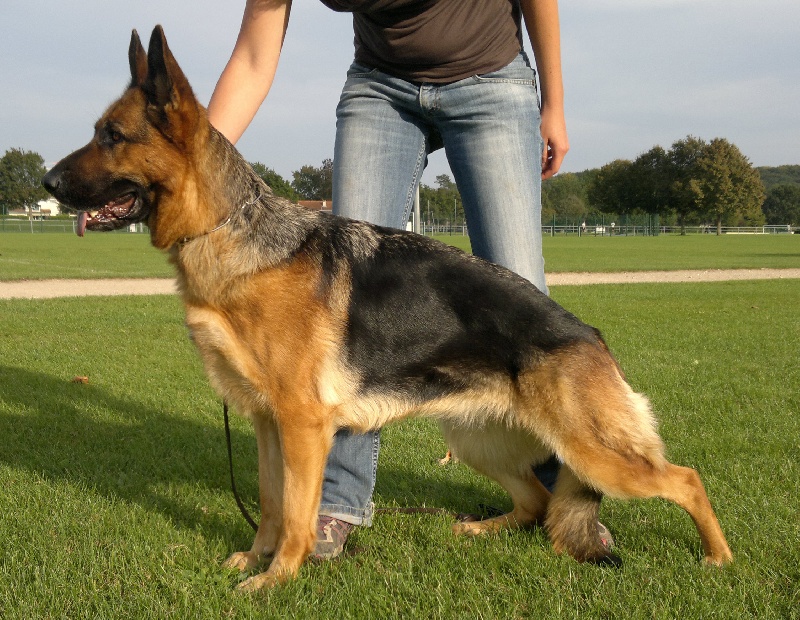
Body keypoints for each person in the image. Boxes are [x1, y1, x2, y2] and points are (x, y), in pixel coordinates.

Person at [208, 0, 589, 559]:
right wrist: (190, 160)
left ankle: (565, 497)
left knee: (520, 293)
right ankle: (337, 503)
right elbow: (252, 58)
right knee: (343, 314)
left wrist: (554, 101)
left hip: (490, 74)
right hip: (380, 87)